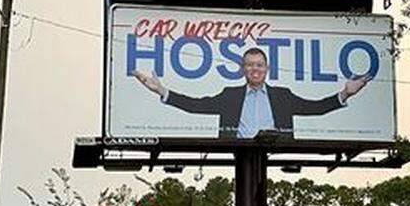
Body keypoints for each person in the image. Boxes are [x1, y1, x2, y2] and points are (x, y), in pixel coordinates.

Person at [133, 47, 370, 139]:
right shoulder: (229, 95)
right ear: (242, 69)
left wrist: (345, 94)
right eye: (249, 64)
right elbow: (196, 105)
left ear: (267, 69)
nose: (254, 69)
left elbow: (314, 108)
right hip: (240, 151)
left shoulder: (282, 96)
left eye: (259, 65)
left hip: (274, 153)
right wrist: (162, 91)